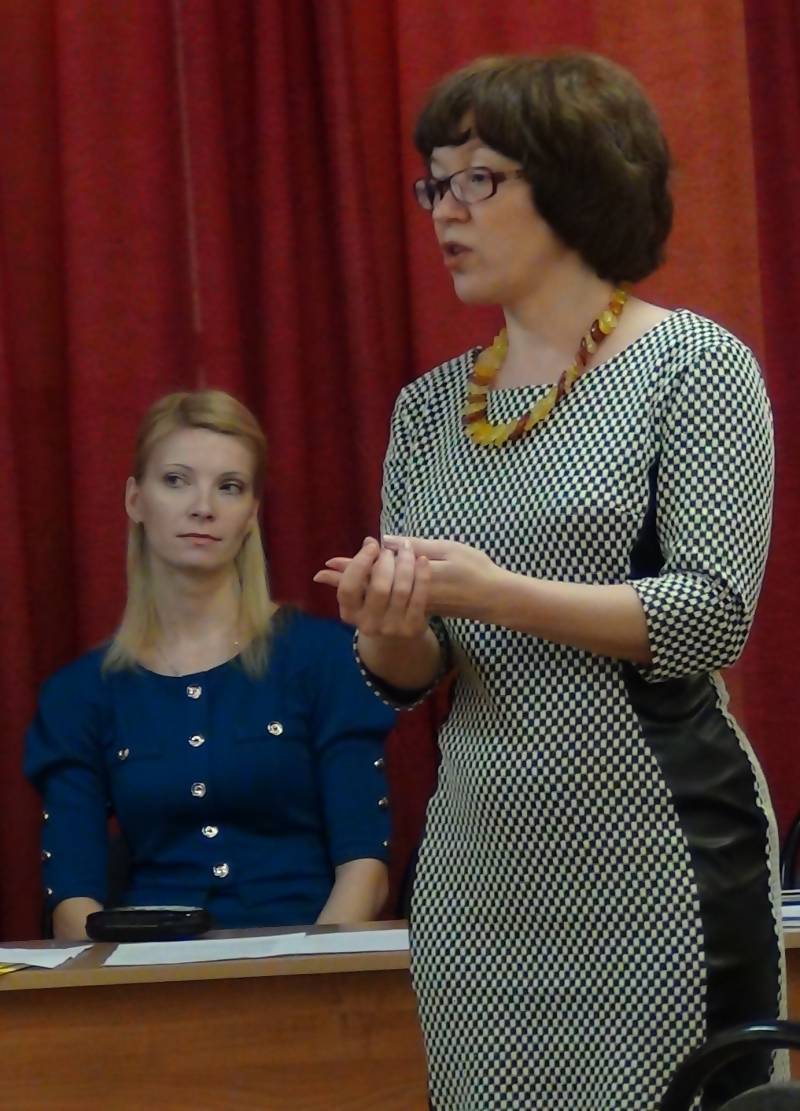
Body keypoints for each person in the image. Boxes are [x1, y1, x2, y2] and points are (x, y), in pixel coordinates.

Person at [314, 53, 780, 1110]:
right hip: (479, 870)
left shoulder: (693, 364)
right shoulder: (426, 409)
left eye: (479, 178)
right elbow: (414, 673)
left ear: (577, 178)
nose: (445, 210)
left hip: (654, 851)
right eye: (436, 183)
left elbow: (713, 615)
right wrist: (389, 625)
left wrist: (497, 593)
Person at [26, 389, 394, 939]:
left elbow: (365, 869)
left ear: (251, 513)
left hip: (307, 959)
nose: (203, 506)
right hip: (148, 972)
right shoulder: (80, 694)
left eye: (229, 486)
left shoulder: (324, 659)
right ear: (135, 500)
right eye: (176, 480)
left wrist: (305, 973)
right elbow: (73, 902)